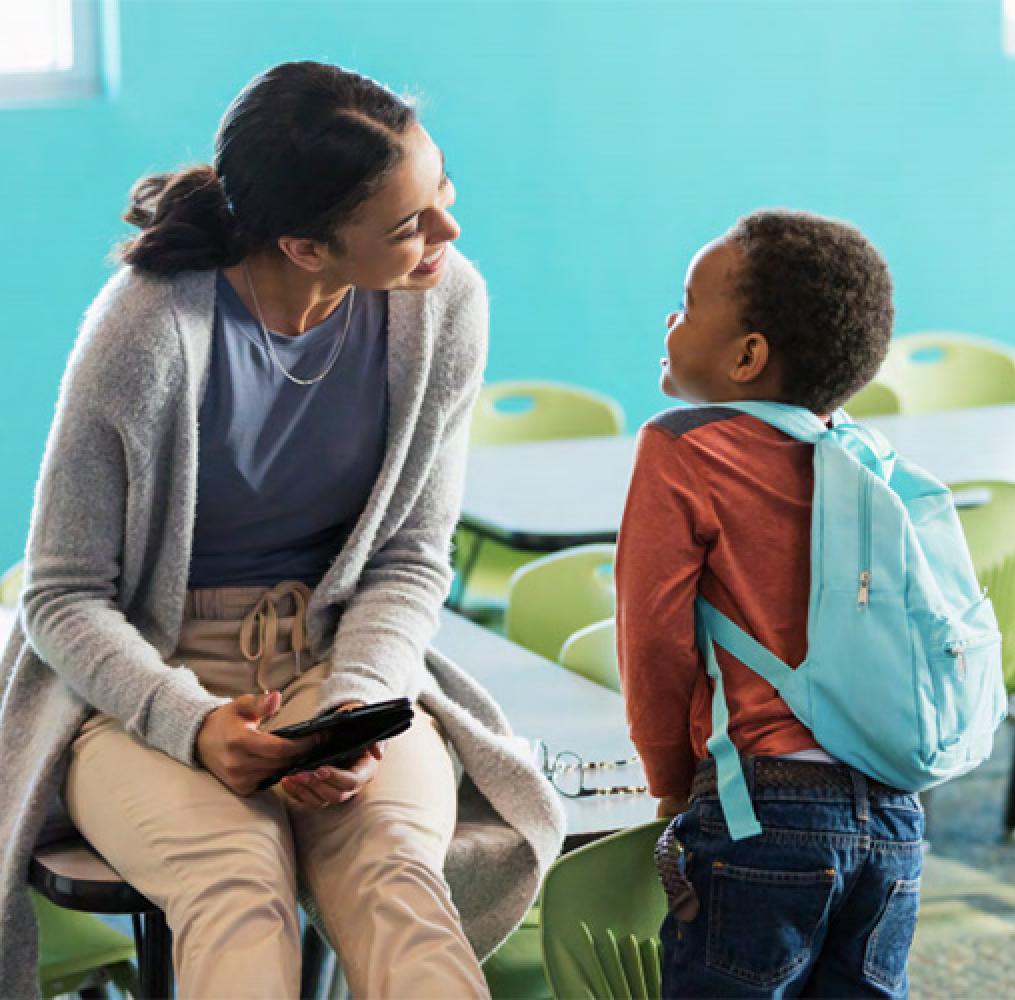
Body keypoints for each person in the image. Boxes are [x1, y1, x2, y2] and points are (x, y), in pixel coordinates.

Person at [0, 61, 564, 1000]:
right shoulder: (146, 329)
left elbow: (410, 556)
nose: (447, 234)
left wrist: (357, 702)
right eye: (408, 225)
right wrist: (192, 723)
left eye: (444, 196)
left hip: (337, 659)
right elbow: (62, 597)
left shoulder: (443, 303)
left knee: (396, 879)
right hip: (146, 679)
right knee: (237, 886)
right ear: (306, 247)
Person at [616, 209, 924, 998]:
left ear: (747, 356)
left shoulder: (682, 445)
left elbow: (654, 641)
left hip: (762, 809)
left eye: (686, 303)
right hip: (892, 810)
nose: (670, 318)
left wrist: (668, 778)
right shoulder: (861, 454)